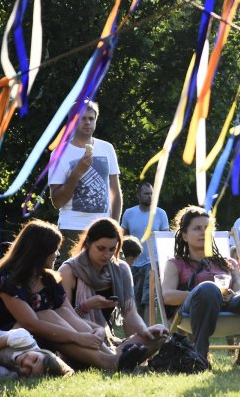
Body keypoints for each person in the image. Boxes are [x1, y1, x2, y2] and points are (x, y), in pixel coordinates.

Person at [0, 219, 147, 372]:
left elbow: (70, 315)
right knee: (46, 314)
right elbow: (31, 323)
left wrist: (94, 329)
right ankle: (109, 361)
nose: (57, 255)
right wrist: (79, 338)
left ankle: (111, 356)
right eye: (55, 250)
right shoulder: (6, 279)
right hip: (1, 339)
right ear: (39, 252)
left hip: (35, 337)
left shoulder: (47, 279)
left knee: (58, 313)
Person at [162, 206, 240, 367]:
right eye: (197, 228)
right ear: (185, 236)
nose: (203, 232)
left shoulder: (228, 263)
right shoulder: (176, 264)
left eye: (207, 228)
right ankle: (200, 356)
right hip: (192, 310)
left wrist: (230, 294)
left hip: (228, 305)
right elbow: (168, 296)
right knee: (208, 289)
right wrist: (200, 292)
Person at [57, 217, 168, 353]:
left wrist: (145, 332)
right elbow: (62, 318)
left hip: (105, 337)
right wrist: (86, 306)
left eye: (111, 249)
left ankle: (118, 354)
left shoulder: (121, 269)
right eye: (101, 248)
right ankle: (113, 357)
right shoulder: (69, 271)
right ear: (88, 244)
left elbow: (130, 313)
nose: (107, 254)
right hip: (76, 337)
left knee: (159, 337)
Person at [48, 100, 123, 253]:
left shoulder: (107, 148)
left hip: (103, 227)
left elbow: (115, 191)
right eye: (82, 118)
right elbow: (57, 201)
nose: (87, 122)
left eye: (91, 118)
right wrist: (77, 172)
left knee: (108, 276)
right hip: (72, 228)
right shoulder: (59, 153)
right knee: (74, 276)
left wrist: (114, 225)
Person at [120, 182, 169, 309]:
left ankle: (150, 329)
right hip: (134, 263)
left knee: (149, 300)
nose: (150, 196)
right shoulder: (129, 213)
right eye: (146, 193)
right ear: (138, 195)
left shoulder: (160, 213)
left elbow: (165, 240)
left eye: (152, 194)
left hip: (153, 263)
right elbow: (121, 237)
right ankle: (140, 328)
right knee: (135, 302)